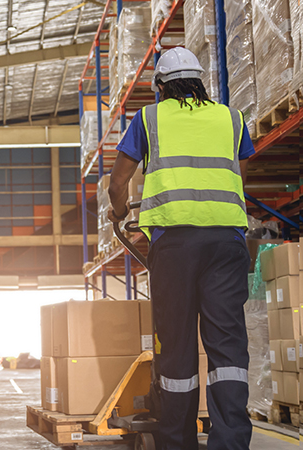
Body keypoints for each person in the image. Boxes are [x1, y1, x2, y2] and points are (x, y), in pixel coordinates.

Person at [107, 47, 253, 450]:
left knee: (177, 344)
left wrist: (116, 212)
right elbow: (238, 176)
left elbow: (118, 184)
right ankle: (231, 442)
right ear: (201, 80)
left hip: (174, 246)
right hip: (226, 243)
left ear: (159, 86)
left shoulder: (149, 118)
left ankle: (178, 441)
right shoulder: (231, 118)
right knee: (227, 345)